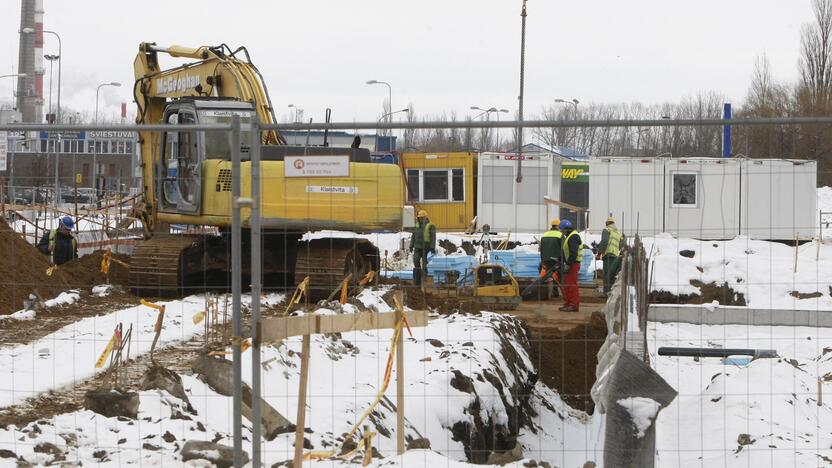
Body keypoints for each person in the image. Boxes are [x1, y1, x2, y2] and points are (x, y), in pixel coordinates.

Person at [559, 219, 582, 312]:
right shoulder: (571, 236)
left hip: (573, 264)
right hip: (571, 263)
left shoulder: (573, 237)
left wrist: (568, 264)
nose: (562, 233)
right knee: (567, 284)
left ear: (565, 229)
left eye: (562, 231)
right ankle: (568, 303)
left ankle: (573, 305)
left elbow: (573, 252)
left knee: (572, 285)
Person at [409, 210, 436, 286]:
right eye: (419, 218)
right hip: (417, 246)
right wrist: (411, 245)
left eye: (422, 217)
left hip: (426, 246)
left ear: (425, 217)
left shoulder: (431, 226)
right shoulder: (416, 225)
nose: (420, 219)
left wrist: (432, 247)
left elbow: (433, 237)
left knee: (424, 262)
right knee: (416, 260)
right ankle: (418, 274)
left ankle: (424, 276)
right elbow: (413, 236)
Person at [597, 215, 623, 295]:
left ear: (607, 223)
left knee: (607, 275)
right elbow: (622, 244)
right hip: (615, 255)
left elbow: (604, 241)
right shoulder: (618, 232)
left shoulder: (606, 230)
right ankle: (611, 291)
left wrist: (599, 253)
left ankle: (606, 292)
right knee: (612, 274)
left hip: (608, 255)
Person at [539, 218, 563, 297]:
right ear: (558, 226)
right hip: (557, 259)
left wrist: (543, 260)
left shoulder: (545, 234)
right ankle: (562, 293)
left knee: (550, 276)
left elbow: (541, 249)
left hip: (546, 259)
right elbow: (563, 248)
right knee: (559, 276)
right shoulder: (560, 235)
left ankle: (553, 293)